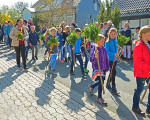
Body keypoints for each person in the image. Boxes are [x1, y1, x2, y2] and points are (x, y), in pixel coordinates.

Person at [132, 26, 150, 116]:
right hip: (142, 72)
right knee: (139, 89)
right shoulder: (139, 46)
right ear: (143, 34)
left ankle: (149, 107)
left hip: (148, 71)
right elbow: (138, 62)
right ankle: (135, 106)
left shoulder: (148, 44)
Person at [88, 34, 109, 104]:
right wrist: (95, 57)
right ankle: (99, 97)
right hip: (97, 68)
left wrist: (107, 67)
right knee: (101, 83)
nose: (103, 43)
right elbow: (91, 59)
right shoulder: (94, 49)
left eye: (104, 41)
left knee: (101, 81)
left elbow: (106, 58)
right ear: (97, 41)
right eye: (102, 41)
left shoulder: (104, 49)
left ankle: (92, 86)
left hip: (103, 68)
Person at [105, 28, 122, 94]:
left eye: (114, 34)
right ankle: (113, 87)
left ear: (116, 34)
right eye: (112, 34)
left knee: (112, 72)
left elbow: (117, 50)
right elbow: (107, 52)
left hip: (115, 59)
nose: (113, 35)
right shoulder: (107, 42)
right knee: (113, 72)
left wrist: (120, 52)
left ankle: (108, 83)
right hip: (110, 59)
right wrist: (113, 54)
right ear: (109, 34)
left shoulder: (116, 41)